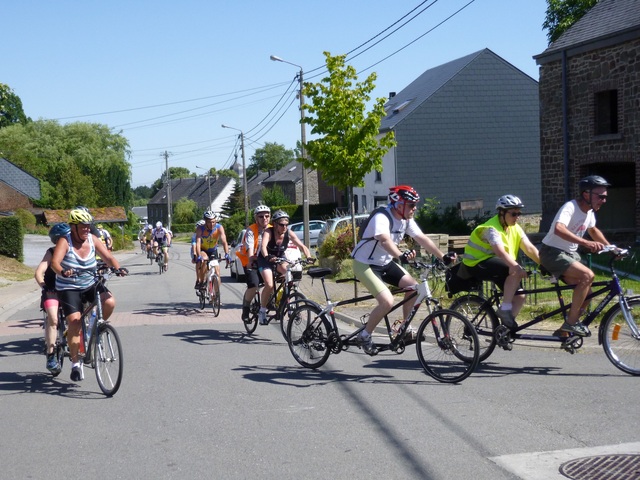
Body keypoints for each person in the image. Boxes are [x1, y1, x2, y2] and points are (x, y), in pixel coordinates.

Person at [351, 185, 455, 355]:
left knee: (414, 288)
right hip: (365, 264)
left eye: (415, 205)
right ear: (399, 205)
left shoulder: (406, 219)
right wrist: (401, 255)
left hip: (385, 262)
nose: (414, 208)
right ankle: (365, 335)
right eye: (411, 205)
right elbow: (384, 240)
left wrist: (442, 256)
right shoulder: (382, 217)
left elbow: (421, 238)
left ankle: (404, 328)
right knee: (387, 301)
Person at [50, 208, 127, 381]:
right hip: (69, 287)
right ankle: (76, 362)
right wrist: (63, 271)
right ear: (73, 227)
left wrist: (117, 268)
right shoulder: (65, 241)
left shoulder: (92, 239)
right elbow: (55, 262)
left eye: (88, 226)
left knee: (109, 302)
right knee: (75, 322)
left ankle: (95, 329)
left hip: (90, 282)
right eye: (82, 226)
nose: (86, 229)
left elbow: (108, 257)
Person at [539, 175, 612, 336]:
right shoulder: (570, 207)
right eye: (600, 196)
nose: (603, 200)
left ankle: (565, 330)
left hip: (570, 255)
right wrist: (586, 243)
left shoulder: (589, 212)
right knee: (588, 275)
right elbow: (559, 228)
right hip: (552, 252)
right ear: (586, 194)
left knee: (589, 293)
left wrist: (612, 249)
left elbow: (593, 230)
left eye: (605, 197)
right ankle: (571, 323)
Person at [462, 195, 541, 330]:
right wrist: (516, 267)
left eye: (519, 213)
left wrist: (544, 264)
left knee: (520, 296)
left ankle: (504, 329)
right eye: (513, 213)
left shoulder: (515, 227)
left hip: (498, 264)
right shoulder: (491, 228)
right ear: (502, 213)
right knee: (513, 268)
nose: (517, 217)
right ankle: (504, 309)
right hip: (476, 264)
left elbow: (529, 248)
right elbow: (500, 252)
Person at [257, 210, 312, 325]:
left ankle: (284, 303)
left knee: (289, 275)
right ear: (275, 224)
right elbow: (263, 246)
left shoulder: (289, 233)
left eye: (286, 224)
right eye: (282, 225)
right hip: (265, 260)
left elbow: (302, 246)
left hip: (280, 259)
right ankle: (262, 311)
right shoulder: (269, 231)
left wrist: (309, 256)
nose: (285, 227)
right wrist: (267, 256)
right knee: (270, 284)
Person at [35, 222, 71, 374]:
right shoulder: (50, 252)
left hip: (70, 291)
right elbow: (39, 272)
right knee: (53, 319)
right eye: (64, 238)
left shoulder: (73, 251)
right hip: (52, 291)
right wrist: (44, 286)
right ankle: (50, 354)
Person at [237, 205, 271, 322]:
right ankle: (246, 309)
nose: (264, 218)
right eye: (261, 216)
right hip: (250, 260)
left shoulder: (273, 228)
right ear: (256, 218)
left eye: (267, 216)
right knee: (254, 284)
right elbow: (250, 246)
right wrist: (251, 260)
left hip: (265, 260)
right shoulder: (251, 230)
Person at [195, 211, 229, 291]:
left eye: (214, 222)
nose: (212, 224)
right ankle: (202, 282)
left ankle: (217, 296)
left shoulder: (219, 227)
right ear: (205, 222)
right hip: (203, 250)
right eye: (209, 222)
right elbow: (198, 242)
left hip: (213, 250)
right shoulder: (200, 229)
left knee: (217, 272)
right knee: (204, 260)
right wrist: (199, 255)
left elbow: (224, 241)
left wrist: (227, 254)